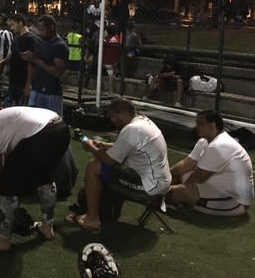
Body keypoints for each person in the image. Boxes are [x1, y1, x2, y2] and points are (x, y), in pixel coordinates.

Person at [0, 106, 70, 250]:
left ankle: (3, 239)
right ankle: (47, 226)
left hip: (39, 133)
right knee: (44, 178)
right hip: (60, 128)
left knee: (7, 182)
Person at [68, 98, 171, 232]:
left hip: (150, 186)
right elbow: (133, 146)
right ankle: (101, 211)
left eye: (113, 116)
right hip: (159, 181)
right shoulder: (143, 121)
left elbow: (109, 160)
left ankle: (92, 219)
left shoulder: (132, 129)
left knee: (94, 167)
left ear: (121, 114)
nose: (112, 120)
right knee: (109, 167)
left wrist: (90, 147)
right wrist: (105, 145)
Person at [21, 14, 77, 199]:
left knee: (54, 130)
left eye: (43, 29)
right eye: (39, 29)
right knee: (32, 129)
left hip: (51, 93)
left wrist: (36, 61)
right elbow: (32, 63)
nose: (40, 32)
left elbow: (56, 72)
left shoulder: (60, 46)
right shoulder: (40, 42)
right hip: (37, 90)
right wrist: (29, 84)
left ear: (52, 27)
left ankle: (60, 168)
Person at [168, 110, 254, 216]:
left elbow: (197, 178)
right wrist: (165, 175)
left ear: (212, 125)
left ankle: (154, 195)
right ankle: (156, 191)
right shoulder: (204, 142)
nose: (196, 126)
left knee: (183, 191)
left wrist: (167, 188)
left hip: (235, 201)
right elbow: (187, 164)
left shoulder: (219, 145)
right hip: (220, 189)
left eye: (200, 123)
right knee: (181, 175)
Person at [5, 14, 39, 105]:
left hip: (23, 80)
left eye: (13, 25)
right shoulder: (16, 38)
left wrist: (28, 83)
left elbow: (31, 63)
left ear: (20, 23)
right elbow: (13, 55)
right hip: (14, 79)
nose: (11, 28)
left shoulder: (30, 39)